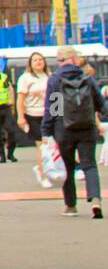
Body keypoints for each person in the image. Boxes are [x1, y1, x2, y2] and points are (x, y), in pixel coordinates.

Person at [42, 46, 105, 219]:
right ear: (75, 59)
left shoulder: (55, 80)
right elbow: (100, 103)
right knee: (90, 165)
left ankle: (70, 206)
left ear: (59, 60)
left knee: (67, 167)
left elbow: (53, 109)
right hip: (87, 127)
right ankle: (96, 201)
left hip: (64, 128)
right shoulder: (88, 77)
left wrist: (46, 131)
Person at [17, 51, 53, 188]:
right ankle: (43, 175)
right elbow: (20, 99)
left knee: (52, 144)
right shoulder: (25, 78)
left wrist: (59, 115)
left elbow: (56, 96)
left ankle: (46, 169)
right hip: (33, 115)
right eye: (35, 60)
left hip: (49, 114)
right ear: (30, 64)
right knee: (41, 145)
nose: (38, 62)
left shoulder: (50, 76)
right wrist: (21, 117)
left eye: (40, 59)